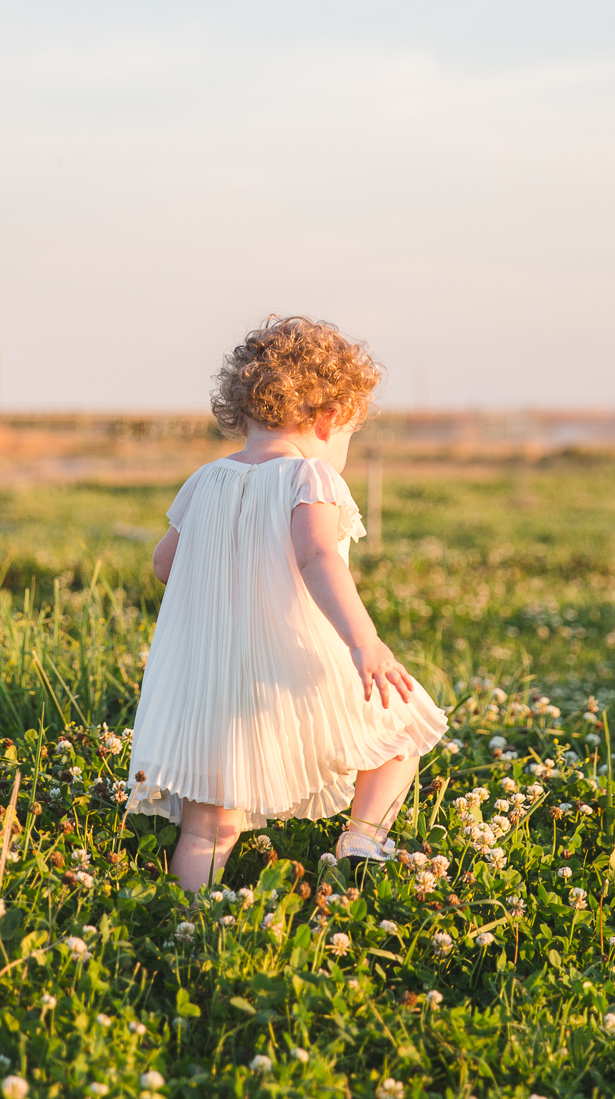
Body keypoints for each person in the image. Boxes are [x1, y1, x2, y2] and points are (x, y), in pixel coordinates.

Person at [127, 316, 448, 890]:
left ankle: (182, 923)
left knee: (207, 829)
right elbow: (319, 557)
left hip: (217, 684)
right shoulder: (311, 477)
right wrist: (363, 641)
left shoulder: (206, 480)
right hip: (301, 667)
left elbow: (163, 564)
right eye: (350, 432)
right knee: (400, 731)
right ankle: (363, 841)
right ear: (328, 418)